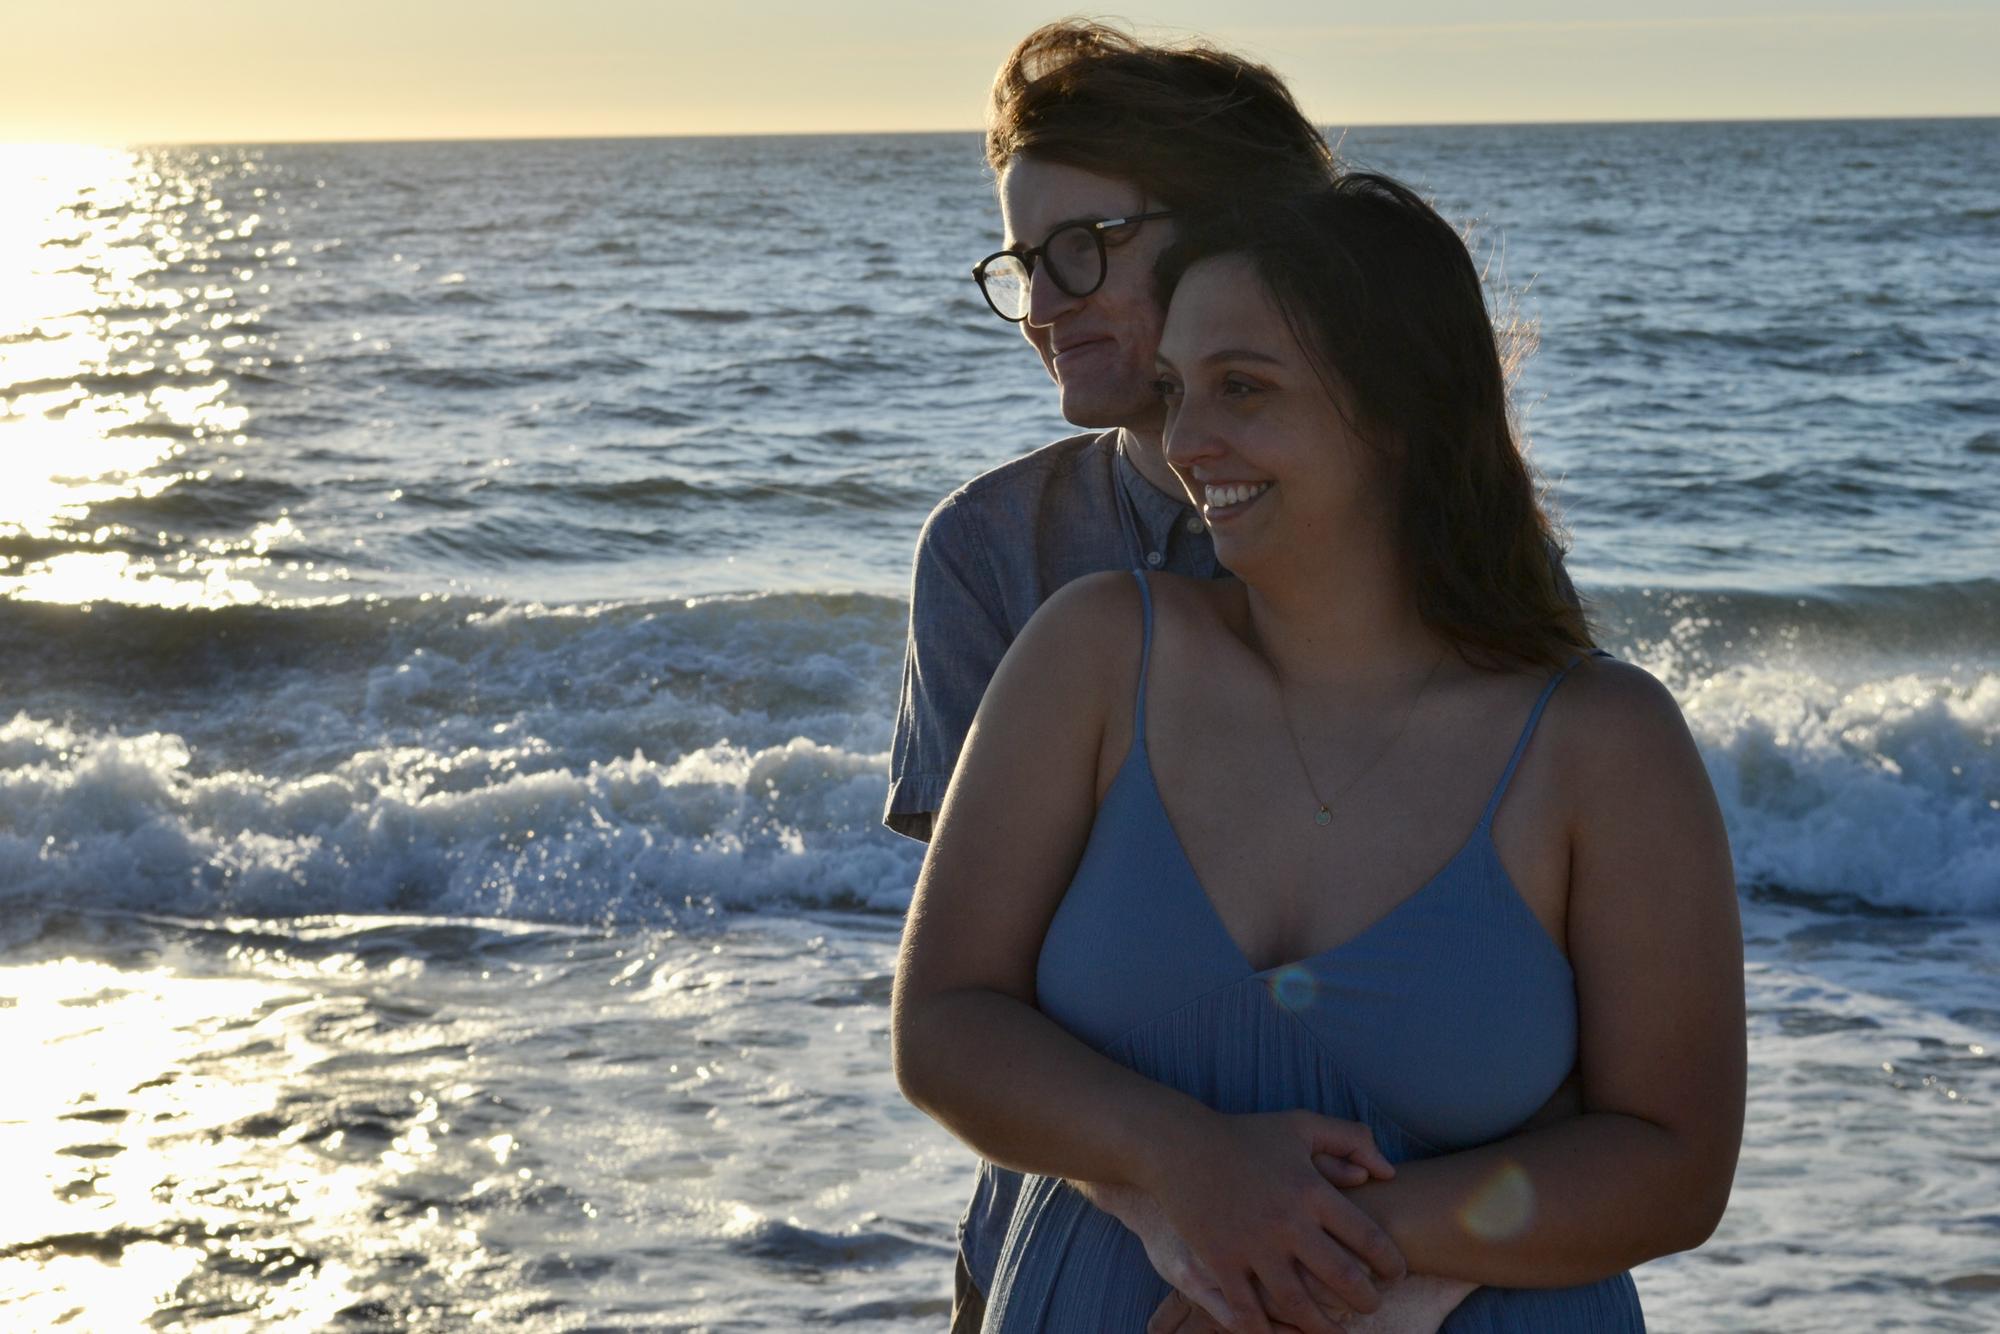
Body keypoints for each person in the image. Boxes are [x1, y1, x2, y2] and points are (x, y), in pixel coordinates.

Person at [892, 174, 1746, 1332]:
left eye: (1242, 388)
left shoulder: (1601, 742)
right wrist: (1186, 1167)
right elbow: (943, 1019)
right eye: (1177, 389)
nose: (1188, 441)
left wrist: (1325, 1246)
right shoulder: (1092, 656)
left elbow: (1675, 1158)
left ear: (1398, 408)